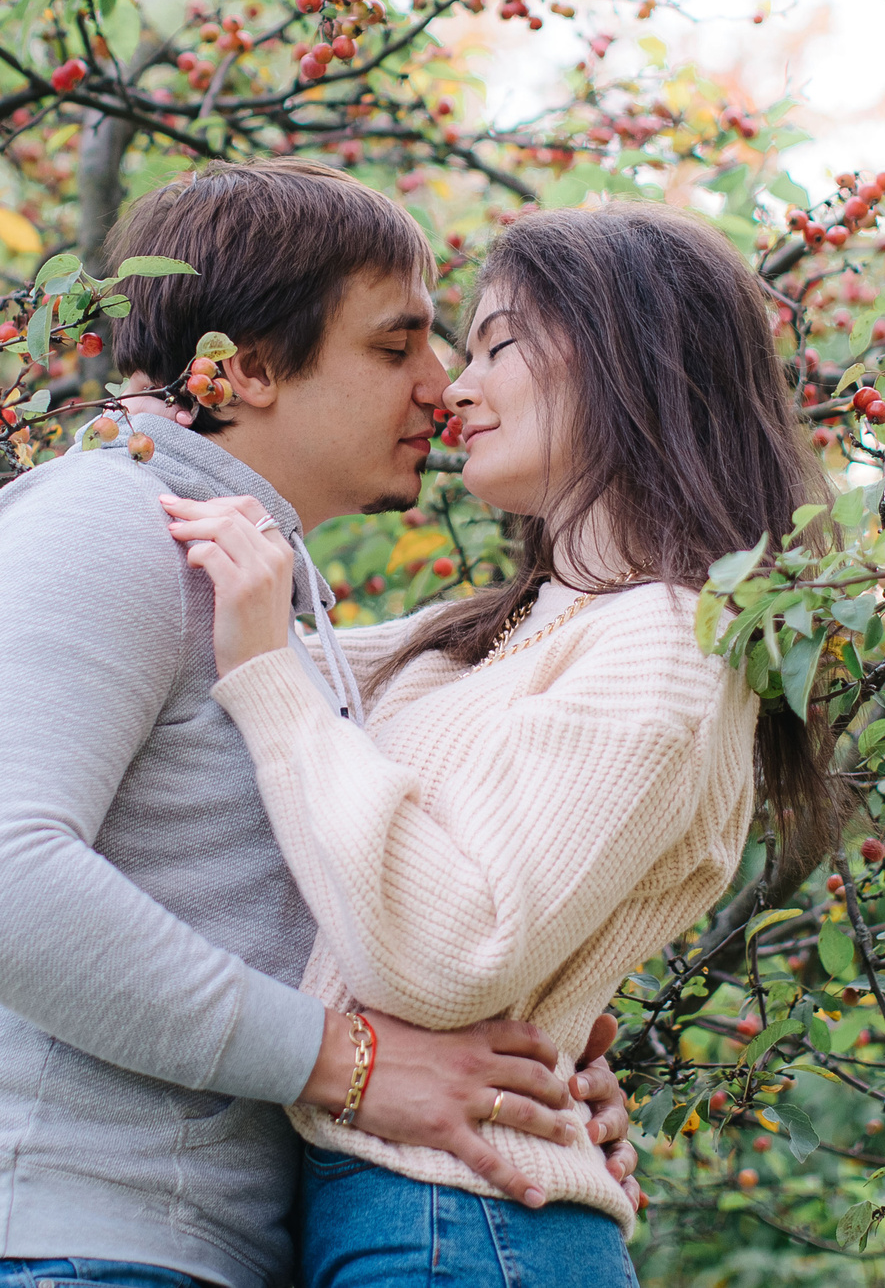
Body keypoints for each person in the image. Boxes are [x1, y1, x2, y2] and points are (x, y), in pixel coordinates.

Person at [0, 162, 637, 1288]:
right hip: (46, 1246)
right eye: (395, 345)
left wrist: (525, 1073)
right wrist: (353, 1062)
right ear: (244, 368)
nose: (442, 385)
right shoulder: (97, 520)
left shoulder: (249, 591)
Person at [160, 203, 846, 1288]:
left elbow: (449, 960)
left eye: (497, 345)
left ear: (631, 355)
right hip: (401, 1207)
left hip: (464, 1222)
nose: (454, 389)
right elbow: (217, 656)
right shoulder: (497, 631)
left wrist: (268, 676)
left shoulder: (664, 643)